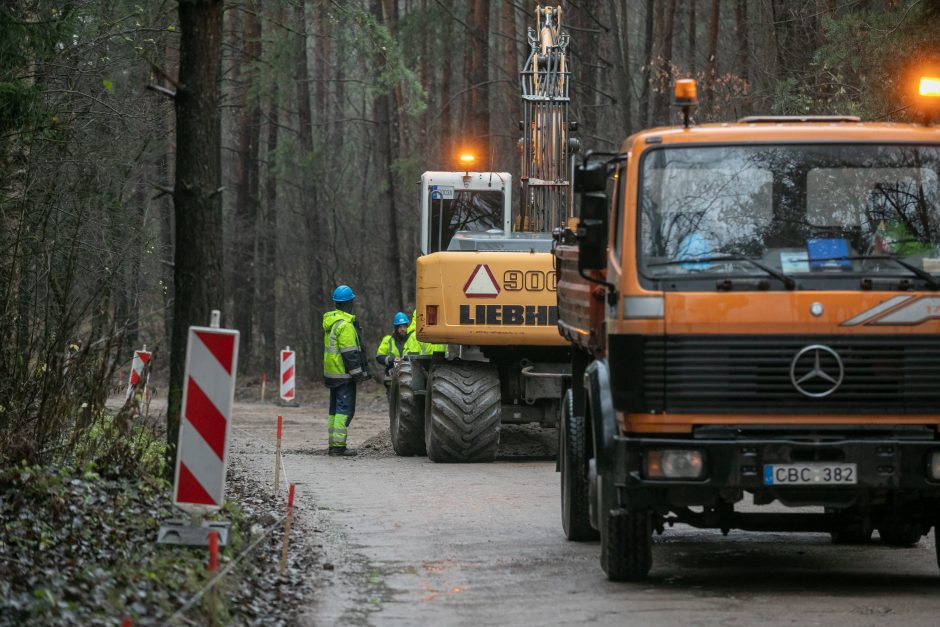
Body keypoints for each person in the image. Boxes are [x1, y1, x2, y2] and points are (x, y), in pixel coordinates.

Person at [322, 284, 371, 457]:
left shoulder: (332, 323)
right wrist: (358, 375)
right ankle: (338, 447)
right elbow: (350, 354)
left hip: (332, 375)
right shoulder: (346, 326)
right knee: (344, 410)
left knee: (334, 410)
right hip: (344, 376)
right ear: (349, 302)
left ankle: (333, 445)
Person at [376, 311, 409, 391]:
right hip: (392, 374)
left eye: (404, 326)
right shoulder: (388, 340)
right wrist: (392, 359)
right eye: (400, 327)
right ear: (396, 328)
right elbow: (379, 357)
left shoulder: (411, 339)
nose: (402, 329)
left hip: (409, 374)